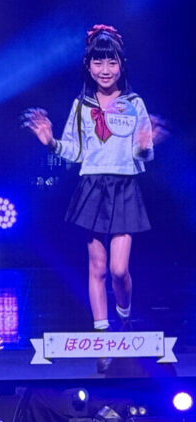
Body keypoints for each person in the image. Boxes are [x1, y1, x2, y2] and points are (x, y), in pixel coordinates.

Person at [24, 25, 157, 370]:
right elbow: (75, 151)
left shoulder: (134, 104)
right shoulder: (81, 105)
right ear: (88, 65)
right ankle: (103, 340)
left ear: (121, 65)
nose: (105, 69)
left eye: (111, 62)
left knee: (118, 270)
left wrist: (145, 145)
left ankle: (124, 319)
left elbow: (144, 154)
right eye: (98, 62)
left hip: (124, 186)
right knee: (96, 267)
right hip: (92, 187)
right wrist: (51, 142)